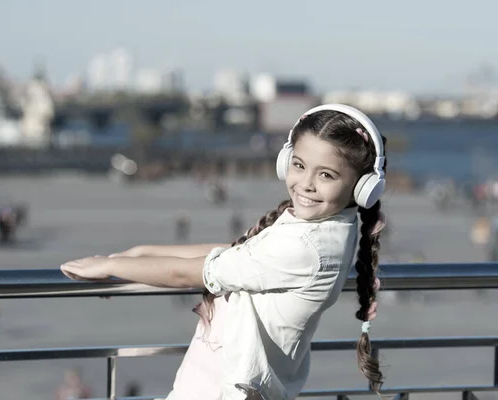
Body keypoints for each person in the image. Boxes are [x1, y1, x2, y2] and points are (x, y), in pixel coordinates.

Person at [60, 104, 387, 399]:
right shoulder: (325, 229)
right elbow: (234, 254)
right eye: (299, 165)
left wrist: (110, 264)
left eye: (326, 175)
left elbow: (190, 272)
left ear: (362, 187)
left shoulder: (305, 246)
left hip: (223, 389)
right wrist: (138, 254)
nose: (306, 183)